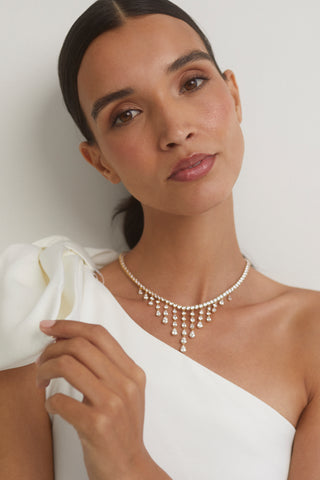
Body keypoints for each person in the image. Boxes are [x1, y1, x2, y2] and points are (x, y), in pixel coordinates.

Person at [0, 0, 319, 479]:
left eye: (191, 83)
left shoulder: (311, 336)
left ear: (233, 95)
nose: (175, 130)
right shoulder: (44, 301)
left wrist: (129, 462)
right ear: (100, 161)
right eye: (126, 114)